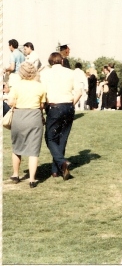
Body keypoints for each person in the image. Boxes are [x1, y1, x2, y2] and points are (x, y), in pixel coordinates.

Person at [40, 52, 82, 180]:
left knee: (50, 137)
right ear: (62, 61)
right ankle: (56, 170)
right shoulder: (71, 73)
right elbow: (79, 92)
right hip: (68, 106)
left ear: (50, 62)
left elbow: (43, 93)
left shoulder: (45, 73)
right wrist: (71, 104)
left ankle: (61, 162)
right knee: (62, 138)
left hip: (54, 106)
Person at [7, 63, 46, 188]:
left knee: (16, 147)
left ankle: (15, 174)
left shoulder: (16, 86)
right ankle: (32, 179)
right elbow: (42, 105)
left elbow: (10, 102)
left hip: (19, 116)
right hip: (34, 117)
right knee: (34, 149)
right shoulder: (40, 86)